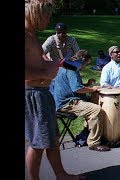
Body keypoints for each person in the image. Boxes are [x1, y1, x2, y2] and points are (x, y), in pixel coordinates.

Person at [25, 0, 83, 179]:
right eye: (47, 15)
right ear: (35, 12)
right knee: (39, 142)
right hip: (33, 94)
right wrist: (45, 70)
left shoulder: (31, 34)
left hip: (43, 93)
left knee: (52, 138)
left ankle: (60, 174)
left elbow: (34, 61)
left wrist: (48, 65)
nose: (49, 19)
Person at [53, 49, 111, 152]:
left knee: (95, 100)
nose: (84, 67)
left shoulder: (67, 65)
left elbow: (72, 85)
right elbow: (77, 89)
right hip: (67, 103)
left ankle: (87, 131)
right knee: (96, 110)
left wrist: (87, 84)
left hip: (66, 101)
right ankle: (94, 143)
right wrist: (92, 89)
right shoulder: (72, 69)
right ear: (82, 59)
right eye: (85, 64)